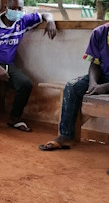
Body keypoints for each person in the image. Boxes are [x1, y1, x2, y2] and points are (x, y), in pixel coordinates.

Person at [0, 0, 56, 140]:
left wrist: (50, 21)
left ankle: (15, 118)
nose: (16, 11)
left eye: (19, 8)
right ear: (6, 8)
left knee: (25, 84)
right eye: (13, 8)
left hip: (8, 64)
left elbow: (45, 14)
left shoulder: (22, 21)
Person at [39, 22, 109, 151]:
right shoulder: (100, 32)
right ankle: (66, 136)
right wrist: (93, 83)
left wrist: (104, 87)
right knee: (72, 87)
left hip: (106, 83)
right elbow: (95, 63)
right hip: (104, 76)